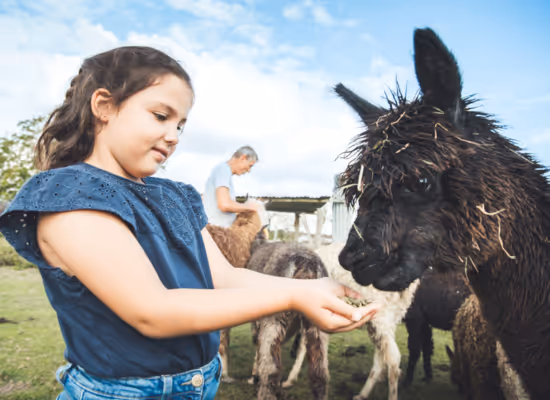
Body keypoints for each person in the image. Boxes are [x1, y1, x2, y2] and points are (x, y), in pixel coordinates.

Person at [0, 46, 380, 400]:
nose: (173, 136)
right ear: (104, 106)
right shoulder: (70, 196)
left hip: (200, 383)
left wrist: (311, 287)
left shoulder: (175, 196)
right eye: (161, 116)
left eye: (181, 124)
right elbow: (152, 311)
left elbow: (224, 277)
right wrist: (295, 297)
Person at [203, 146, 259, 227]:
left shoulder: (224, 172)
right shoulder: (223, 170)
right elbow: (224, 204)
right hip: (216, 232)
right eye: (250, 165)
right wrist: (249, 207)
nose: (249, 170)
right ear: (243, 158)